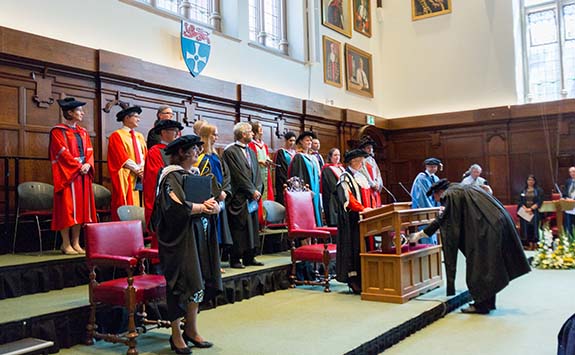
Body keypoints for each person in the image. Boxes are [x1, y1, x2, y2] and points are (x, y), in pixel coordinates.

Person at [410, 179, 531, 314]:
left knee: (477, 268)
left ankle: (481, 306)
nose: (437, 201)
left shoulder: (450, 194)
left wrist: (420, 234)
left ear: (439, 192)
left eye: (435, 197)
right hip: (497, 224)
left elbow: (443, 219)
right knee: (489, 268)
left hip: (487, 229)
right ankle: (488, 303)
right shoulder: (463, 188)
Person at [151, 135, 222, 354]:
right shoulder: (170, 177)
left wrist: (215, 208)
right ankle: (176, 334)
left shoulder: (195, 176)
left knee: (197, 283)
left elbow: (216, 200)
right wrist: (202, 207)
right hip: (179, 241)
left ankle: (191, 329)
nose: (198, 152)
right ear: (182, 153)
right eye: (194, 149)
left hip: (198, 237)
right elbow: (175, 209)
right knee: (180, 285)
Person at [49, 97, 97, 255]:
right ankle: (65, 243)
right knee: (67, 209)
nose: (82, 113)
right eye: (79, 110)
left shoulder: (83, 132)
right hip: (68, 176)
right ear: (70, 112)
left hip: (82, 175)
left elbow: (89, 151)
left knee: (81, 210)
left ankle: (76, 242)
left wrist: (88, 164)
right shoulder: (57, 131)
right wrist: (78, 167)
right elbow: (62, 153)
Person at [222, 122, 264, 269]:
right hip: (239, 196)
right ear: (243, 134)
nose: (253, 134)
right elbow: (237, 175)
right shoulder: (231, 152)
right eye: (250, 132)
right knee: (238, 228)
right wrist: (251, 190)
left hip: (252, 197)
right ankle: (235, 258)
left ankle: (249, 256)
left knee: (251, 227)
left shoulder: (251, 152)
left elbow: (257, 173)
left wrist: (257, 189)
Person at [335, 149, 375, 293]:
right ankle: (354, 280)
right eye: (360, 161)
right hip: (352, 220)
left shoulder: (360, 177)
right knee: (354, 249)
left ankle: (367, 277)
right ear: (353, 161)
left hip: (365, 218)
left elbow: (370, 196)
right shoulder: (345, 178)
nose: (362, 163)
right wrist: (362, 209)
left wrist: (372, 209)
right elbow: (347, 198)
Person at [196, 123, 233, 249]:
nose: (216, 137)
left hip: (220, 196)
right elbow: (205, 180)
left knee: (219, 231)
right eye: (214, 135)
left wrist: (224, 191)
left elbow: (224, 175)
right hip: (211, 198)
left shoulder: (215, 156)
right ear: (206, 136)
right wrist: (217, 193)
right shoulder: (202, 158)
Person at [143, 119, 183, 234]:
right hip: (164, 200)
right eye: (174, 131)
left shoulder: (177, 151)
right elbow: (155, 177)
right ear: (164, 133)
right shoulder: (155, 151)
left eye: (178, 131)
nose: (177, 134)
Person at [107, 106, 147, 220]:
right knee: (127, 203)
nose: (138, 119)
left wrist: (143, 169)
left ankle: (142, 231)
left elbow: (145, 155)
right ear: (126, 118)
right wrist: (138, 170)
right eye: (136, 116)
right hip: (127, 175)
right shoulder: (117, 135)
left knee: (143, 203)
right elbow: (121, 157)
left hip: (141, 175)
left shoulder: (140, 136)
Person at [288, 131, 323, 226]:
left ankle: (317, 237)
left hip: (315, 190)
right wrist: (305, 190)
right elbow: (298, 177)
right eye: (307, 140)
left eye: (311, 140)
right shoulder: (299, 157)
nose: (310, 142)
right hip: (306, 193)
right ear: (301, 142)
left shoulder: (312, 158)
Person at [248, 121, 274, 226]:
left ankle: (267, 220)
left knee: (267, 194)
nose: (262, 130)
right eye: (260, 128)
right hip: (257, 173)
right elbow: (250, 160)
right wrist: (260, 162)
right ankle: (259, 221)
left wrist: (268, 161)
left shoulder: (264, 145)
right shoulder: (251, 144)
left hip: (266, 173)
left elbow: (266, 156)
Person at [321, 148, 345, 226]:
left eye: (338, 155)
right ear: (330, 157)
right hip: (333, 200)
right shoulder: (327, 169)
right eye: (335, 155)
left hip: (342, 198)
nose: (337, 157)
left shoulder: (341, 168)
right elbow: (333, 186)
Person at [358, 135, 383, 207]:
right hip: (368, 187)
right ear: (363, 149)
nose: (370, 150)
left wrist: (377, 182)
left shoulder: (372, 160)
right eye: (368, 148)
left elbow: (378, 173)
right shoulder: (361, 160)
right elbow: (364, 173)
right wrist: (372, 184)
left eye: (371, 148)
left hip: (375, 188)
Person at [274, 131, 297, 206]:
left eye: (294, 141)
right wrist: (286, 181)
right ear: (286, 140)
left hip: (294, 182)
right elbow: (280, 170)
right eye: (290, 140)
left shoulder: (295, 153)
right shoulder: (281, 152)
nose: (292, 143)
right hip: (283, 182)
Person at [561, 166, 575, 233]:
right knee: (568, 226)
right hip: (568, 207)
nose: (572, 173)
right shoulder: (568, 182)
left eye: (573, 171)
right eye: (570, 172)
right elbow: (564, 193)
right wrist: (565, 198)